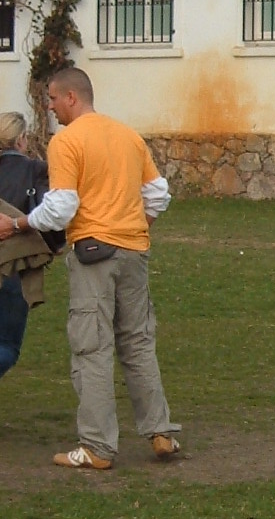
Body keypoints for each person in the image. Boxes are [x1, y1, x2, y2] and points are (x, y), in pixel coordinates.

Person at [0, 68, 180, 469]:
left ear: (71, 98)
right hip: (135, 251)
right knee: (138, 342)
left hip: (93, 253)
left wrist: (17, 224)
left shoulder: (67, 141)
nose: (49, 107)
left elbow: (61, 208)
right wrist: (133, 227)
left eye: (52, 98)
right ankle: (161, 432)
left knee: (91, 347)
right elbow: (158, 195)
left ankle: (97, 447)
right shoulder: (128, 136)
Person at [0, 111, 61, 377]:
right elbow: (51, 215)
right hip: (16, 264)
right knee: (7, 345)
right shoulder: (36, 170)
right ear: (21, 139)